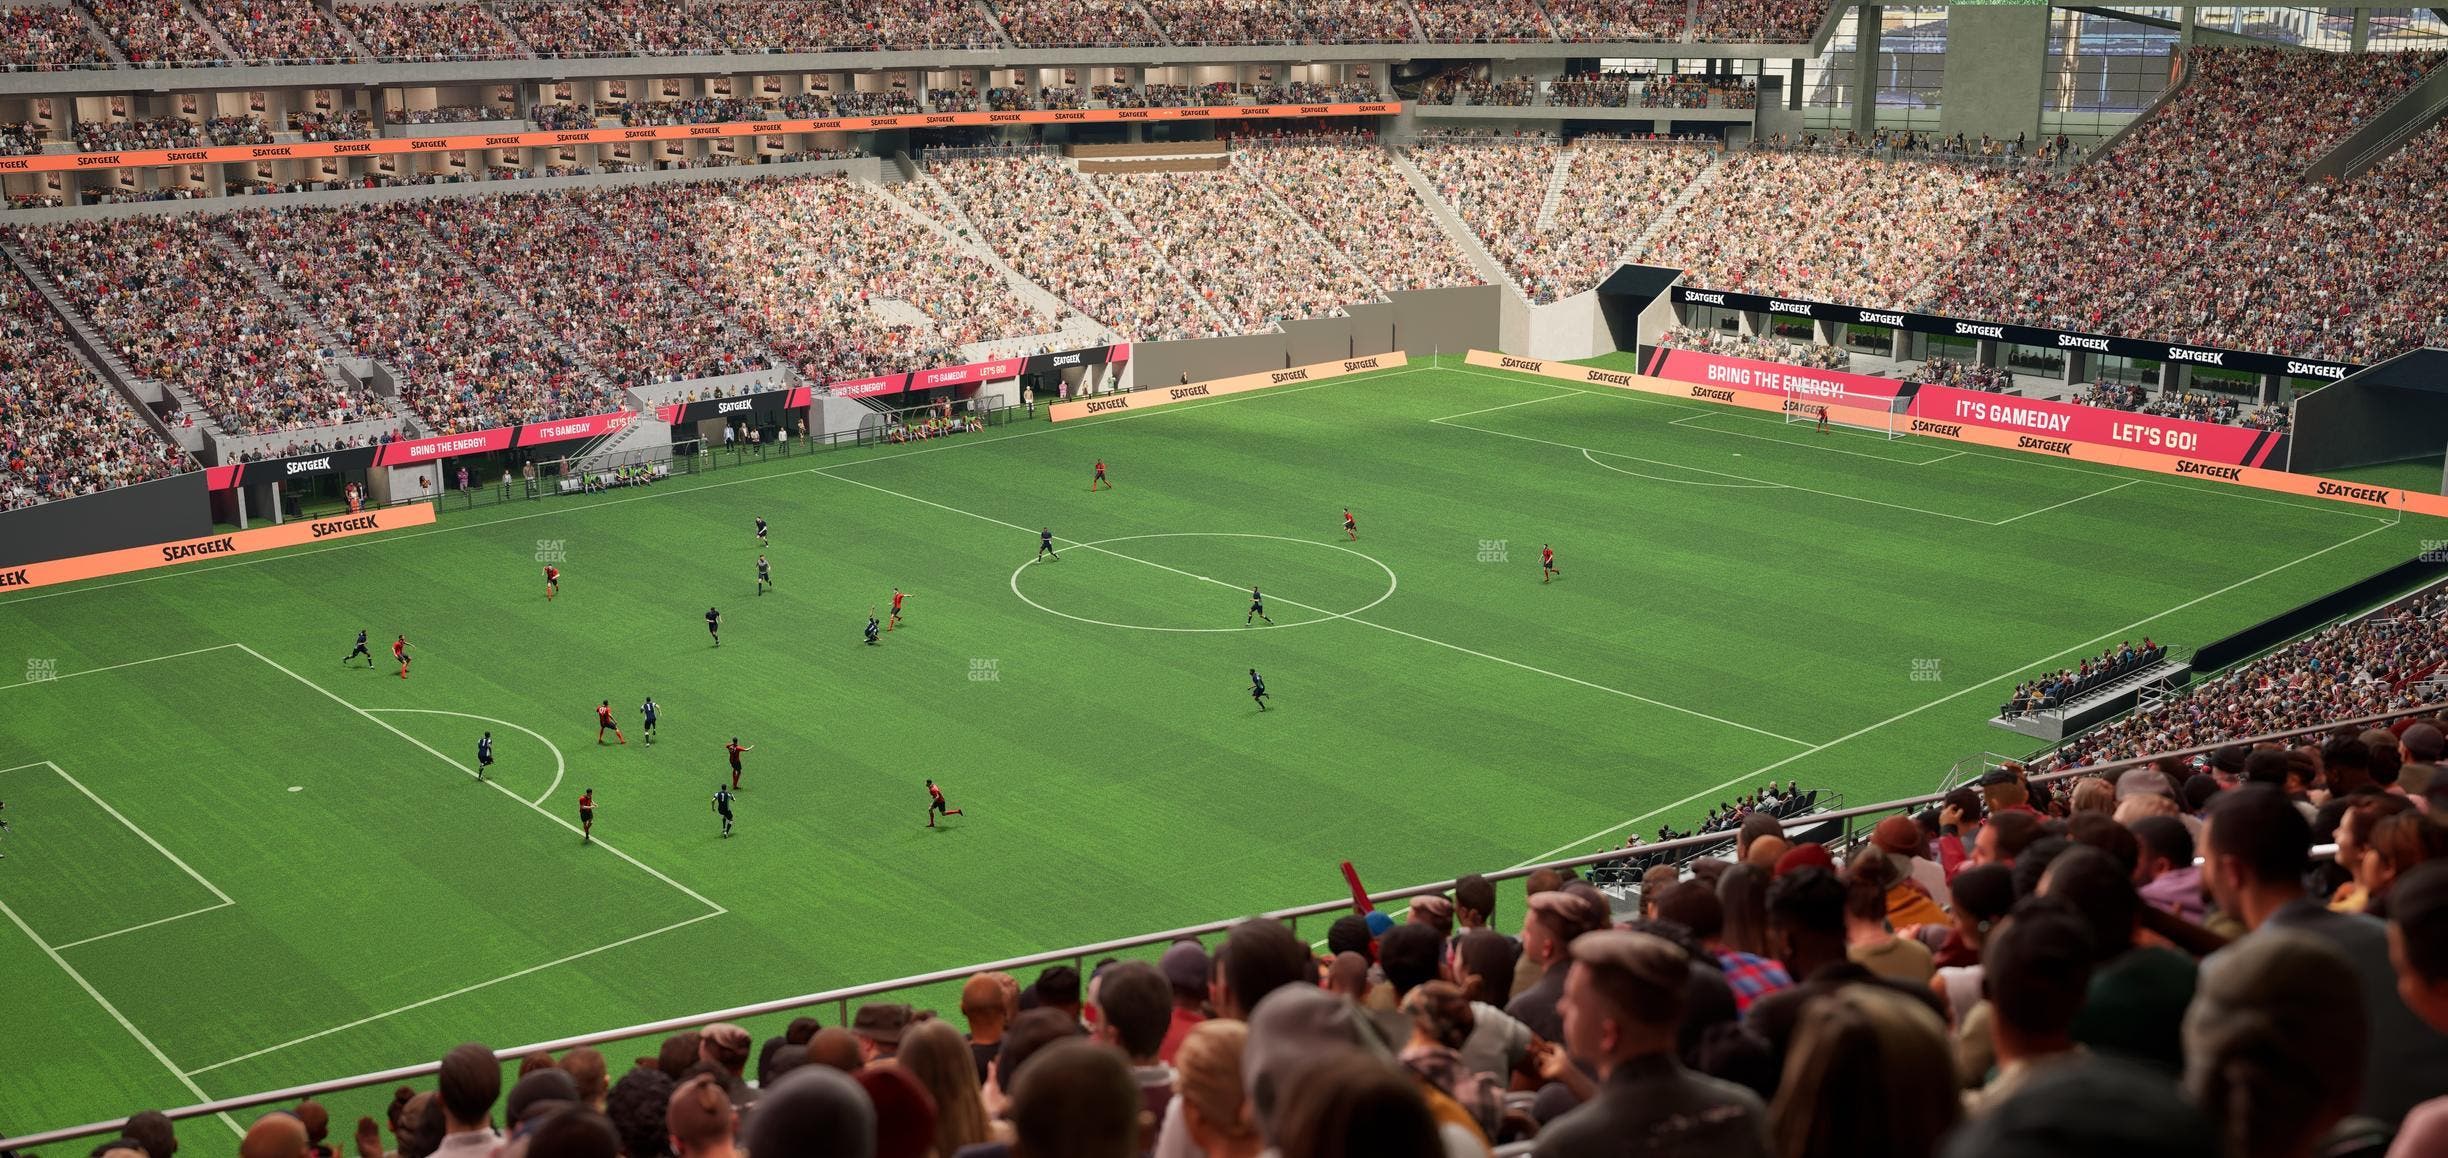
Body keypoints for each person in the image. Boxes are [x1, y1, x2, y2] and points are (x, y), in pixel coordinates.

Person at [1533, 929, 1772, 1158]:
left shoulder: (1566, 1146)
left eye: (1572, 1001)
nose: (1560, 1008)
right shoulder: (1745, 1111)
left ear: (1609, 1035)